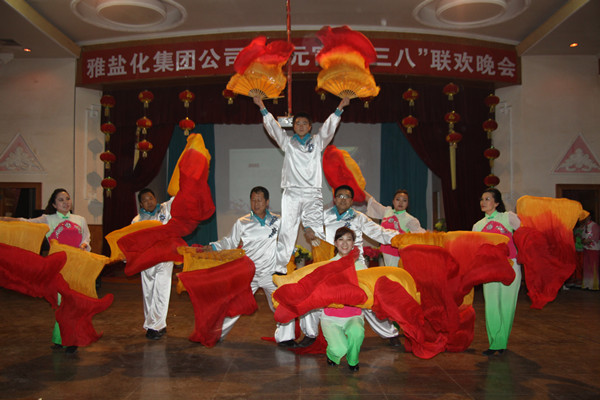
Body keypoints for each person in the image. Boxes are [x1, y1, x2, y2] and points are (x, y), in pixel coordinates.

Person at [253, 96, 350, 275]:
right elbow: (274, 129)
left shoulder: (317, 142)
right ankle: (280, 268)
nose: (301, 126)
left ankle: (324, 267)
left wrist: (339, 108)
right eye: (297, 123)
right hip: (291, 193)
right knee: (287, 230)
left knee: (317, 230)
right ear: (293, 126)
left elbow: (328, 128)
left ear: (310, 126)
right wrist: (262, 108)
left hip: (313, 193)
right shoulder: (288, 142)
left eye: (305, 123)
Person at [302, 185, 402, 347]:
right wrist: (307, 229)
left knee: (369, 300)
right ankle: (310, 334)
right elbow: (308, 220)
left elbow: (379, 232)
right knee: (314, 296)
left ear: (352, 201)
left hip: (356, 266)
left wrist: (400, 238)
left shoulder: (359, 217)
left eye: (347, 197)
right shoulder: (325, 215)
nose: (343, 200)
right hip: (331, 264)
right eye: (340, 196)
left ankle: (390, 334)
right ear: (334, 199)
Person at [203, 186, 296, 346]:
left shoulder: (277, 221)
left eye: (259, 200)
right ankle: (216, 334)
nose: (256, 203)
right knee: (234, 306)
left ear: (267, 202)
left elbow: (287, 240)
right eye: (253, 200)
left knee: (283, 304)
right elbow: (230, 241)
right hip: (249, 274)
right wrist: (213, 246)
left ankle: (286, 338)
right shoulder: (242, 222)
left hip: (271, 274)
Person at [1, 188, 91, 353]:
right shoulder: (48, 219)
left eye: (67, 199)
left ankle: (67, 339)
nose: (66, 202)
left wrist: (84, 245)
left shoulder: (80, 219)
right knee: (62, 304)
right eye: (61, 200)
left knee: (72, 303)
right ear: (54, 204)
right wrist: (6, 219)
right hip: (57, 267)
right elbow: (26, 222)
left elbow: (86, 236)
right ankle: (65, 338)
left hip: (77, 265)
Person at [472, 188, 521, 356]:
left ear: (497, 202)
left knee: (507, 305)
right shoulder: (478, 225)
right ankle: (494, 343)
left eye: (487, 199)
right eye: (482, 199)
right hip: (489, 269)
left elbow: (525, 234)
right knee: (491, 305)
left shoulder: (508, 217)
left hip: (510, 266)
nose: (483, 202)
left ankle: (501, 342)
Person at [131, 188, 174, 340]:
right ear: (141, 204)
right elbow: (133, 241)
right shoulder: (137, 220)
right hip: (147, 260)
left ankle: (156, 326)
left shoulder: (165, 209)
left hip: (165, 257)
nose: (149, 202)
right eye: (145, 200)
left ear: (155, 198)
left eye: (151, 198)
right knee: (149, 293)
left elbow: (179, 196)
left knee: (161, 291)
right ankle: (153, 324)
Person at [321, 227, 366, 372]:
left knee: (357, 332)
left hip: (353, 315)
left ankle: (353, 360)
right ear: (335, 243)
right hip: (331, 317)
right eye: (341, 239)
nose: (344, 243)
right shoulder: (327, 265)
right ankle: (332, 355)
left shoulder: (361, 267)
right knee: (339, 349)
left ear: (353, 243)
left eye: (349, 240)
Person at [365, 189, 426, 266]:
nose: (400, 202)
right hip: (385, 250)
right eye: (398, 199)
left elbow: (422, 235)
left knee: (395, 272)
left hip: (398, 253)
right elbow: (372, 202)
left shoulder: (410, 219)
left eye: (404, 200)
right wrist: (360, 189)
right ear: (393, 201)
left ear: (407, 203)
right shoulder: (387, 211)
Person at [581, 215, 599, 290]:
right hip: (586, 249)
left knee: (593, 267)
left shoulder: (594, 225)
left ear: (590, 217)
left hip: (593, 249)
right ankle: (587, 284)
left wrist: (587, 241)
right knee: (586, 267)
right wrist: (583, 241)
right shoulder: (584, 226)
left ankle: (593, 285)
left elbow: (596, 237)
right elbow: (582, 236)